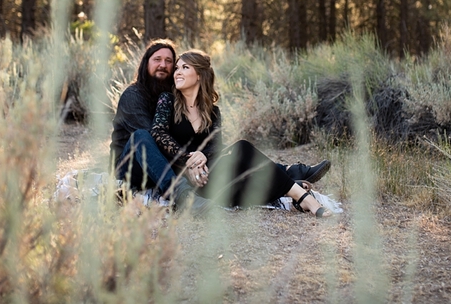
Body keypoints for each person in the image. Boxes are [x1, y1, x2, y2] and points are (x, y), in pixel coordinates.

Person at [109, 40, 330, 212]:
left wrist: (202, 159)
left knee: (240, 150)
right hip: (133, 165)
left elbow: (214, 145)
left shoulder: (197, 106)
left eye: (171, 62)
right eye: (158, 59)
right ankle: (184, 197)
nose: (165, 66)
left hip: (174, 168)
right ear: (145, 62)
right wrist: (190, 161)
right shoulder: (136, 95)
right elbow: (154, 138)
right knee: (141, 135)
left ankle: (287, 180)